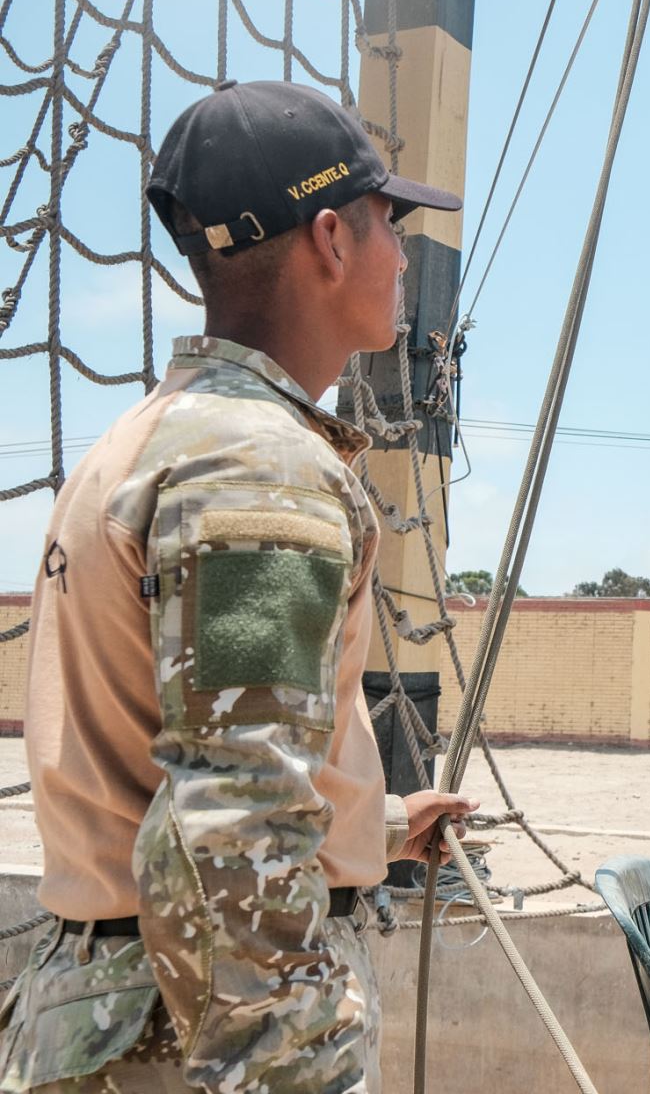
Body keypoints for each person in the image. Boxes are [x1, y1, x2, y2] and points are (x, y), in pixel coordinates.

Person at [0, 80, 478, 1092]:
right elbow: (238, 818)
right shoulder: (256, 472)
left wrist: (375, 824)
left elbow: (193, 745)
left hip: (116, 1004)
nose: (403, 256)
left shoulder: (151, 439)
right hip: (190, 1038)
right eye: (390, 224)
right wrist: (295, 1066)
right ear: (331, 241)